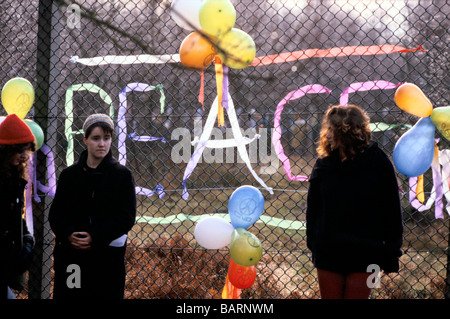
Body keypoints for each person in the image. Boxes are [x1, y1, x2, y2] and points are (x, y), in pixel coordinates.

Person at [306, 105, 403, 299]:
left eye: (331, 129)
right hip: (336, 251)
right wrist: (314, 244)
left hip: (364, 253)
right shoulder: (325, 163)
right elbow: (313, 208)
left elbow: (391, 209)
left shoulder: (376, 161)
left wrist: (391, 252)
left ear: (338, 131)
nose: (329, 134)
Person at [49, 114, 136, 299]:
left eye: (106, 138)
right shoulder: (69, 175)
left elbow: (126, 217)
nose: (102, 144)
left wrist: (95, 236)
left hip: (106, 258)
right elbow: (56, 214)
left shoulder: (122, 175)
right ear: (85, 139)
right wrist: (69, 234)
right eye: (96, 138)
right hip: (72, 258)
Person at [0, 114, 36, 300]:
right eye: (19, 149)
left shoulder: (14, 179)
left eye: (27, 149)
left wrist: (26, 238)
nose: (24, 155)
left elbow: (14, 217)